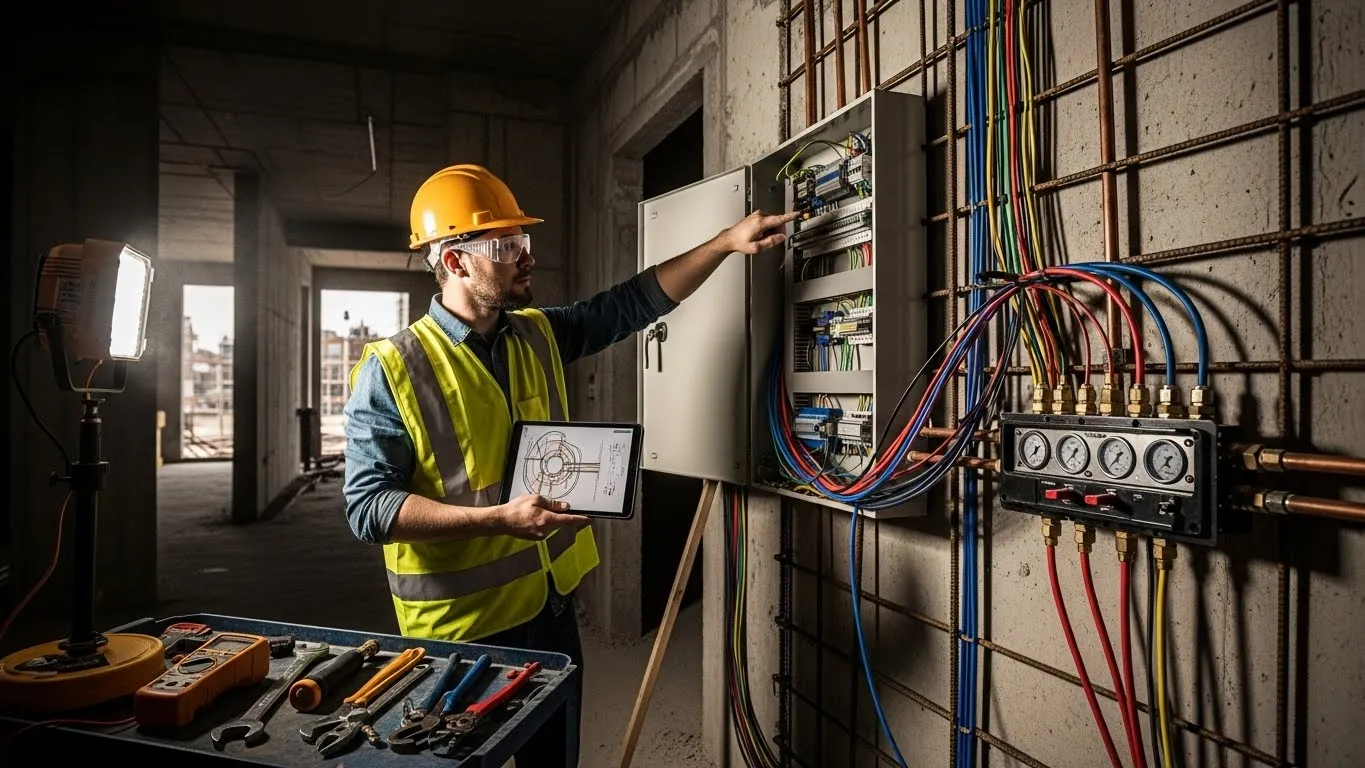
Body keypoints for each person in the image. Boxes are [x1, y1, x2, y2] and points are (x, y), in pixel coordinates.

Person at [342, 163, 797, 766]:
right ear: (455, 262)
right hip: (461, 633)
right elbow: (369, 509)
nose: (527, 257)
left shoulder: (536, 334)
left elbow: (630, 303)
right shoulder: (392, 369)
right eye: (507, 246)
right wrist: (498, 520)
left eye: (523, 240)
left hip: (550, 608)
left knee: (554, 760)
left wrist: (724, 243)